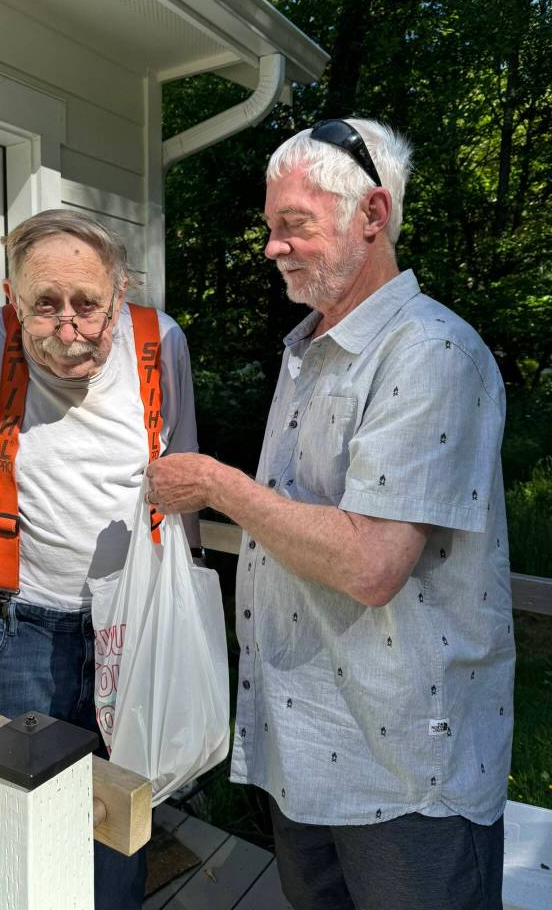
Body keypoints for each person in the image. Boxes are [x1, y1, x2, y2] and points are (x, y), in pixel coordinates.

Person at [146, 119, 513, 910]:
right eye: (271, 227)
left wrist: (216, 483)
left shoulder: (431, 352)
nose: (272, 247)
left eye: (293, 226)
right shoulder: (309, 348)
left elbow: (370, 564)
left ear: (372, 216)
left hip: (407, 769)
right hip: (304, 745)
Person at [0, 209, 200, 910]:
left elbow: (183, 492)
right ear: (10, 296)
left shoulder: (160, 342)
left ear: (120, 293)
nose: (69, 327)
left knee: (116, 820)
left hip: (133, 626)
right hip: (11, 622)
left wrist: (185, 621)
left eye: (88, 305)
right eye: (44, 305)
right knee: (3, 824)